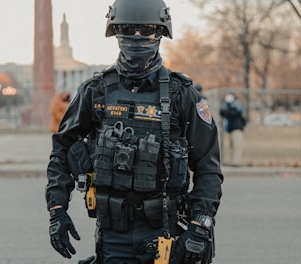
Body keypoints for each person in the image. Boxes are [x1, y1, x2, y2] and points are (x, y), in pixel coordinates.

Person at [45, 0, 223, 263]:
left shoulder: (182, 95)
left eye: (147, 29)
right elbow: (62, 150)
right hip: (112, 234)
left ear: (161, 33)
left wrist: (200, 225)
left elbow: (208, 168)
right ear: (117, 33)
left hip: (165, 231)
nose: (137, 37)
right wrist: (57, 209)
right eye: (128, 29)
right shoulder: (96, 91)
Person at [220, 92, 247, 166]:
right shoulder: (227, 106)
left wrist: (228, 110)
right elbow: (222, 112)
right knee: (231, 146)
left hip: (237, 128)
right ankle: (232, 161)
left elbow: (234, 113)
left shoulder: (237, 106)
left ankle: (236, 162)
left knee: (237, 146)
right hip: (230, 129)